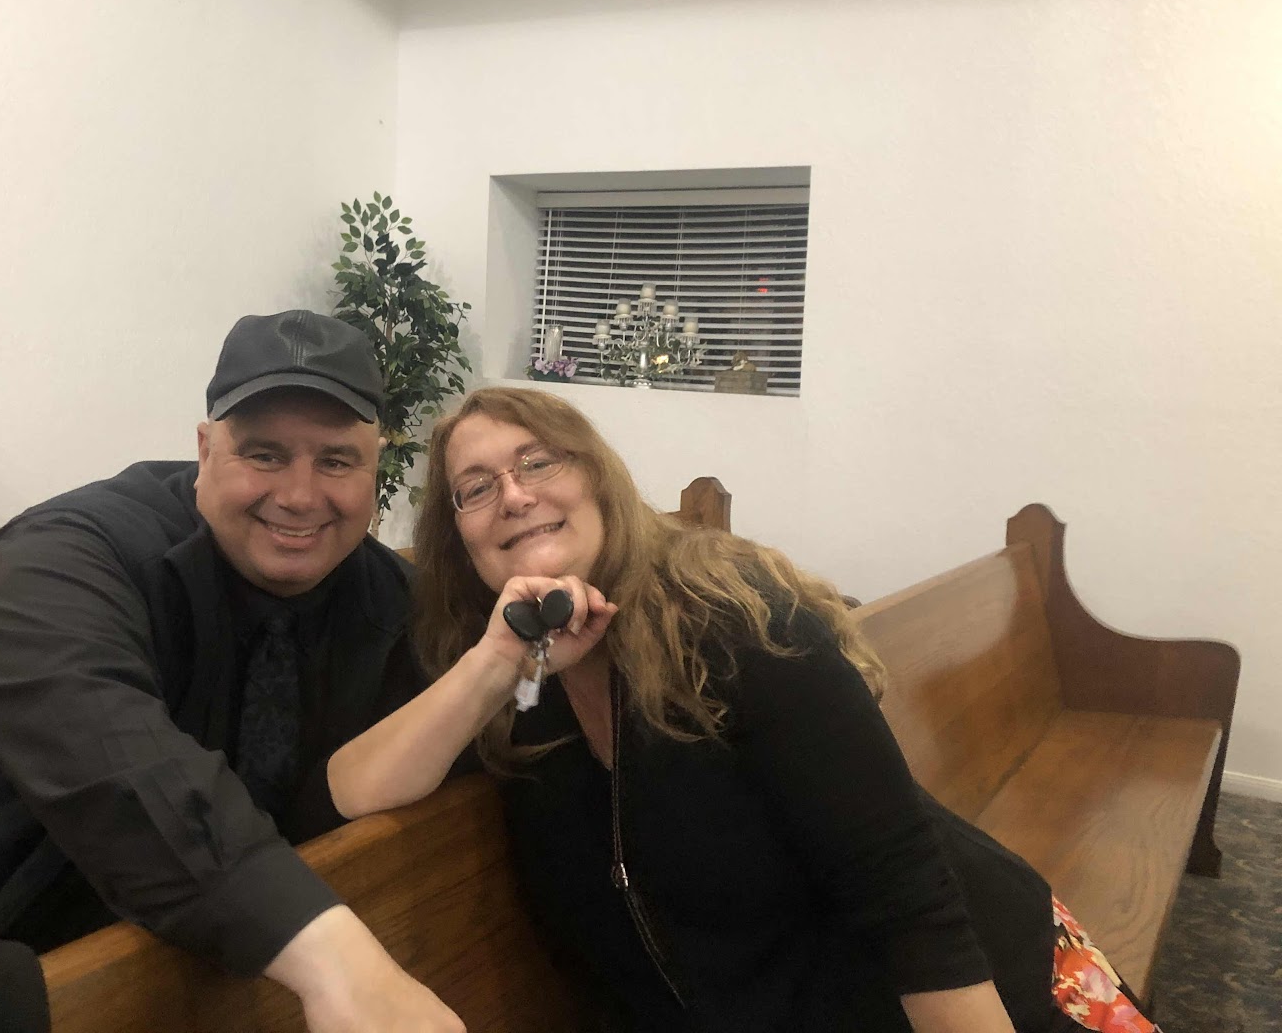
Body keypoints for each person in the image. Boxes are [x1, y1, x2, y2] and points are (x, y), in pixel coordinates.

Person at [324, 386, 1162, 1033]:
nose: (513, 495)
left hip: (984, 991)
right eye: (475, 488)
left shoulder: (735, 621)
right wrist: (499, 663)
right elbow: (355, 789)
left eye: (538, 463)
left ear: (598, 480)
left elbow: (909, 900)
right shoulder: (515, 677)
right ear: (459, 538)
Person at [0, 310, 462, 1033]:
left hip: (161, 980)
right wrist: (339, 964)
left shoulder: (381, 591)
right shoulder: (61, 558)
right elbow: (118, 764)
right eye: (264, 455)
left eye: (336, 461)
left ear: (376, 467)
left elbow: (475, 719)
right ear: (205, 449)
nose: (301, 496)